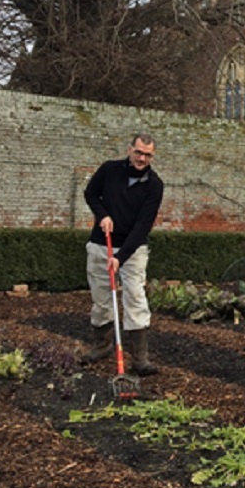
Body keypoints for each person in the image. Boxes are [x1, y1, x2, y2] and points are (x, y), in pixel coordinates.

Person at [81, 133, 165, 376]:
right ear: (130, 149)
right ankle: (101, 346)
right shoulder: (109, 170)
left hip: (133, 249)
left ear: (152, 156)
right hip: (101, 245)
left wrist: (121, 257)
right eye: (138, 152)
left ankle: (140, 359)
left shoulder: (154, 185)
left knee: (135, 297)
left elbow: (143, 226)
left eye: (147, 155)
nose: (142, 158)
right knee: (101, 299)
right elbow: (90, 194)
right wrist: (103, 215)